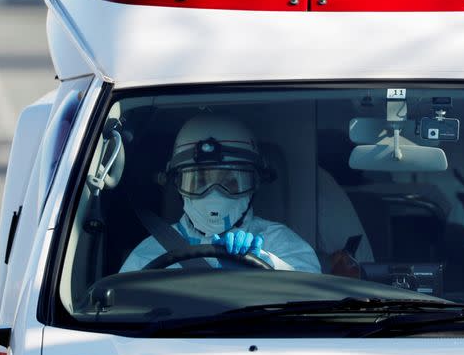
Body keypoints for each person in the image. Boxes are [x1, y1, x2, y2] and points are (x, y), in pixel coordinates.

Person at [120, 114, 321, 273]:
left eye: (230, 182)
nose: (214, 195)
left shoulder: (280, 243)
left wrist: (269, 265)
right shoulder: (150, 252)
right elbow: (124, 307)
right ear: (178, 185)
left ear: (255, 183)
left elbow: (313, 297)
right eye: (199, 182)